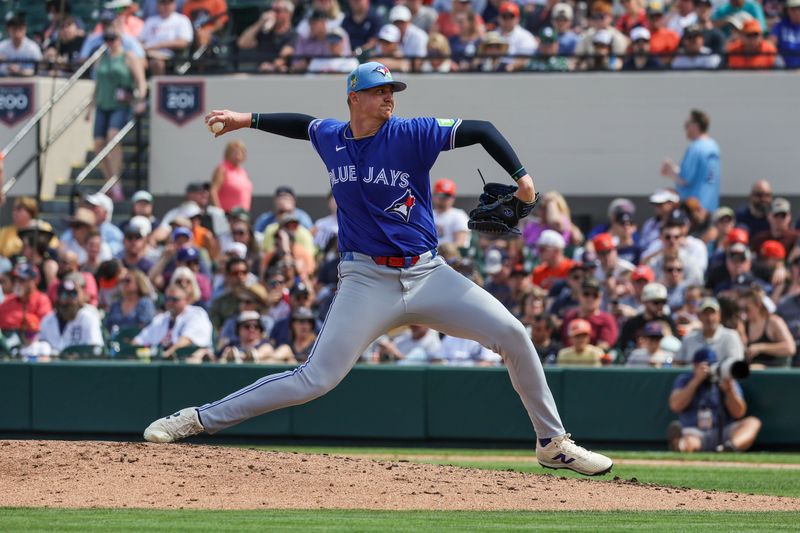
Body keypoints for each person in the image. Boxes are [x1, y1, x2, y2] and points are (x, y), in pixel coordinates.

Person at [144, 61, 613, 476]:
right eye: (379, 90)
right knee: (314, 380)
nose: (390, 97)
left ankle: (552, 443)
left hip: (429, 273)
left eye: (392, 90)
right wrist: (245, 119)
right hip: (366, 279)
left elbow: (483, 129)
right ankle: (199, 418)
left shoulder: (411, 133)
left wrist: (524, 182)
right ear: (354, 98)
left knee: (514, 335)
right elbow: (302, 125)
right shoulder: (333, 137)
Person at [668, 347, 762, 452]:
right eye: (705, 365)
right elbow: (675, 405)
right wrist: (696, 380)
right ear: (695, 365)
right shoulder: (685, 379)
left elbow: (739, 413)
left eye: (711, 364)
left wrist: (729, 391)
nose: (709, 369)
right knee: (690, 441)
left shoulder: (725, 379)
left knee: (753, 422)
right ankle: (680, 446)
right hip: (695, 432)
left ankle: (729, 448)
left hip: (723, 431)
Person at [85, 29, 147, 182]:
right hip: (102, 103)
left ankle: (116, 180)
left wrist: (140, 99)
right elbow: (98, 85)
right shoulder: (101, 58)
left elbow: (141, 81)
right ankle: (110, 180)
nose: (110, 42)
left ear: (120, 39)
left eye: (113, 38)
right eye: (107, 38)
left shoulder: (129, 56)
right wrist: (90, 108)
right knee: (98, 143)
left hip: (121, 104)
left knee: (113, 137)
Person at [660, 109, 720, 213]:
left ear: (695, 126)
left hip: (692, 210)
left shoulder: (696, 148)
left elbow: (684, 180)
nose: (684, 127)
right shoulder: (713, 147)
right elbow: (704, 177)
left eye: (687, 124)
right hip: (710, 208)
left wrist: (669, 171)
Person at [133, 285, 213, 358]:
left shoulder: (196, 314)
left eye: (175, 299)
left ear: (186, 299)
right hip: (160, 360)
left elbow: (187, 340)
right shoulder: (161, 318)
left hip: (187, 360)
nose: (170, 303)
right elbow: (140, 339)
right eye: (167, 299)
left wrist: (168, 353)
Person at [39, 274, 104, 354]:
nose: (69, 300)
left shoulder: (88, 317)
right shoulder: (48, 319)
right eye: (64, 295)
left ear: (82, 296)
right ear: (58, 297)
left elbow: (95, 350)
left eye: (73, 295)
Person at [674, 297, 745, 366]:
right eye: (705, 313)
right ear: (699, 316)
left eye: (713, 313)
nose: (709, 318)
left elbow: (736, 366)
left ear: (719, 315)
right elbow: (677, 364)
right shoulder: (689, 339)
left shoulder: (731, 336)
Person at [740, 286, 796, 367]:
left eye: (746, 309)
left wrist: (761, 348)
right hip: (751, 373)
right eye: (740, 309)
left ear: (758, 305)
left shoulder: (774, 322)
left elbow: (790, 348)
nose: (743, 313)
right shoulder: (744, 324)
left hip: (773, 373)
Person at [236, 0, 296, 73]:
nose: (273, 13)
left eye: (277, 10)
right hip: (259, 75)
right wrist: (260, 23)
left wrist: (271, 66)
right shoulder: (265, 32)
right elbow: (242, 43)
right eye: (272, 10)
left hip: (280, 76)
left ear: (288, 13)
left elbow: (284, 56)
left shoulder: (293, 35)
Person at [139, 0, 193, 75]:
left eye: (169, 3)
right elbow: (141, 40)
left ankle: (159, 86)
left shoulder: (182, 20)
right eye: (163, 3)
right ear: (158, 5)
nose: (166, 6)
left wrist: (158, 45)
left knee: (156, 62)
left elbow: (184, 42)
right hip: (147, 54)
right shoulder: (150, 21)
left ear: (174, 5)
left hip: (171, 55)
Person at [0, 263, 53, 332]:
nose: (17, 282)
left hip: (31, 340)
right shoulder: (9, 299)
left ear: (34, 281)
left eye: (22, 280)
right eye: (16, 279)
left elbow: (46, 327)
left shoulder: (42, 300)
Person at [209, 139, 252, 213]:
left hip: (242, 216)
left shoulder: (243, 171)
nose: (238, 156)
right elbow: (213, 191)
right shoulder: (222, 169)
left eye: (241, 152)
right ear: (228, 154)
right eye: (235, 153)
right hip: (227, 215)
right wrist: (220, 212)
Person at [769, 0, 800, 69]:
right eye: (793, 9)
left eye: (799, 8)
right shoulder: (779, 25)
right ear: (787, 10)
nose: (797, 12)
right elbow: (770, 45)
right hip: (784, 69)